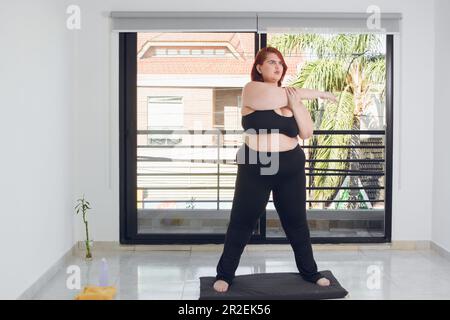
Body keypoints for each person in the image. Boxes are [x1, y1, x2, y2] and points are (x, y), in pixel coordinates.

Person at [213, 47, 337, 293]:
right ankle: (225, 274)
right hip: (256, 164)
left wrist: (297, 102)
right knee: (242, 221)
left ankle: (310, 272)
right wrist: (311, 94)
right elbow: (276, 98)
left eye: (280, 63)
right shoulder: (253, 90)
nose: (278, 67)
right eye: (271, 62)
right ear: (259, 67)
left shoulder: (289, 98)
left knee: (296, 223)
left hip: (291, 164)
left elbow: (307, 132)